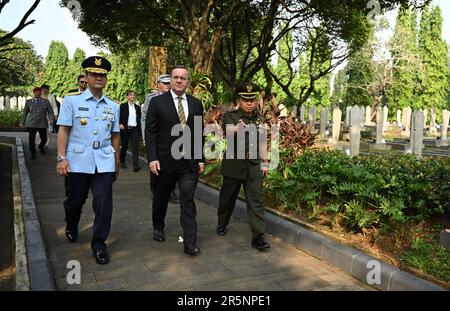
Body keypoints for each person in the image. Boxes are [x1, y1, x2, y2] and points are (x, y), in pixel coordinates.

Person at [56, 56, 120, 265]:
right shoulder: (71, 101)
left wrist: (116, 161)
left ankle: (99, 245)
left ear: (106, 78)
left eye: (102, 75)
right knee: (75, 201)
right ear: (86, 77)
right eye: (94, 74)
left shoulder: (113, 106)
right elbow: (63, 130)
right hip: (77, 160)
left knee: (104, 203)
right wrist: (61, 158)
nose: (99, 77)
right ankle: (71, 223)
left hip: (103, 160)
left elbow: (115, 135)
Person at [145, 66, 205, 256]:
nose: (179, 81)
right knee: (161, 196)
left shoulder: (196, 104)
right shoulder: (158, 103)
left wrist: (200, 159)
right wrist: (152, 158)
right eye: (176, 77)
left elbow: (198, 133)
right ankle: (158, 226)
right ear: (170, 80)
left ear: (188, 82)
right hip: (164, 161)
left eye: (183, 78)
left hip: (189, 163)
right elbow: (151, 132)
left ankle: (190, 243)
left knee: (187, 199)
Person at [216, 82, 271, 251]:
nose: (249, 103)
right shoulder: (230, 116)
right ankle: (222, 223)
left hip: (253, 165)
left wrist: (265, 162)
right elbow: (229, 132)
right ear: (239, 100)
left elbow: (262, 142)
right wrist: (238, 128)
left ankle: (258, 236)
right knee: (228, 197)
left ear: (255, 101)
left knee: (256, 200)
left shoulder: (260, 119)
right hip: (234, 164)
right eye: (245, 99)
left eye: (252, 100)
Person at [141, 74, 179, 202]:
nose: (168, 85)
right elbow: (144, 118)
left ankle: (171, 191)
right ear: (158, 85)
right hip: (156, 136)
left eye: (169, 82)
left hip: (172, 137)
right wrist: (145, 137)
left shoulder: (176, 98)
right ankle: (155, 189)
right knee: (155, 162)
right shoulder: (151, 98)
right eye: (165, 83)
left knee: (174, 163)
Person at [20, 87, 54, 159]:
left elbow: (50, 111)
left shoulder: (46, 101)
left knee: (44, 138)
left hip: (42, 123)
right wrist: (22, 122)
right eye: (36, 92)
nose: (38, 93)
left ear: (41, 92)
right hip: (32, 123)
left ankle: (41, 147)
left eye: (39, 92)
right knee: (31, 139)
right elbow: (25, 113)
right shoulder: (29, 102)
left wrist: (51, 119)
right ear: (34, 93)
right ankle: (33, 153)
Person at [119, 90, 142, 172]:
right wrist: (120, 124)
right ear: (127, 97)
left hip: (134, 129)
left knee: (135, 147)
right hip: (125, 129)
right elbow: (119, 116)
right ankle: (122, 162)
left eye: (134, 95)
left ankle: (136, 166)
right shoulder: (123, 106)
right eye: (131, 95)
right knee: (124, 146)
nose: (133, 96)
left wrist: (140, 131)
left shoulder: (137, 107)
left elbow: (139, 120)